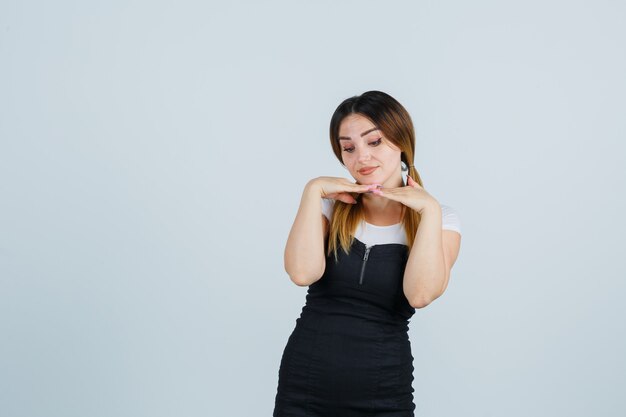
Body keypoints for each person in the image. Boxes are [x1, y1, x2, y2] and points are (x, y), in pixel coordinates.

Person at [273, 90, 462, 416]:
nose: (361, 157)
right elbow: (301, 273)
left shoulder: (440, 219)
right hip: (305, 384)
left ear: (401, 141)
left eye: (374, 142)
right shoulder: (329, 207)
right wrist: (312, 191)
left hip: (382, 392)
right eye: (349, 148)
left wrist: (428, 211)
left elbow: (419, 294)